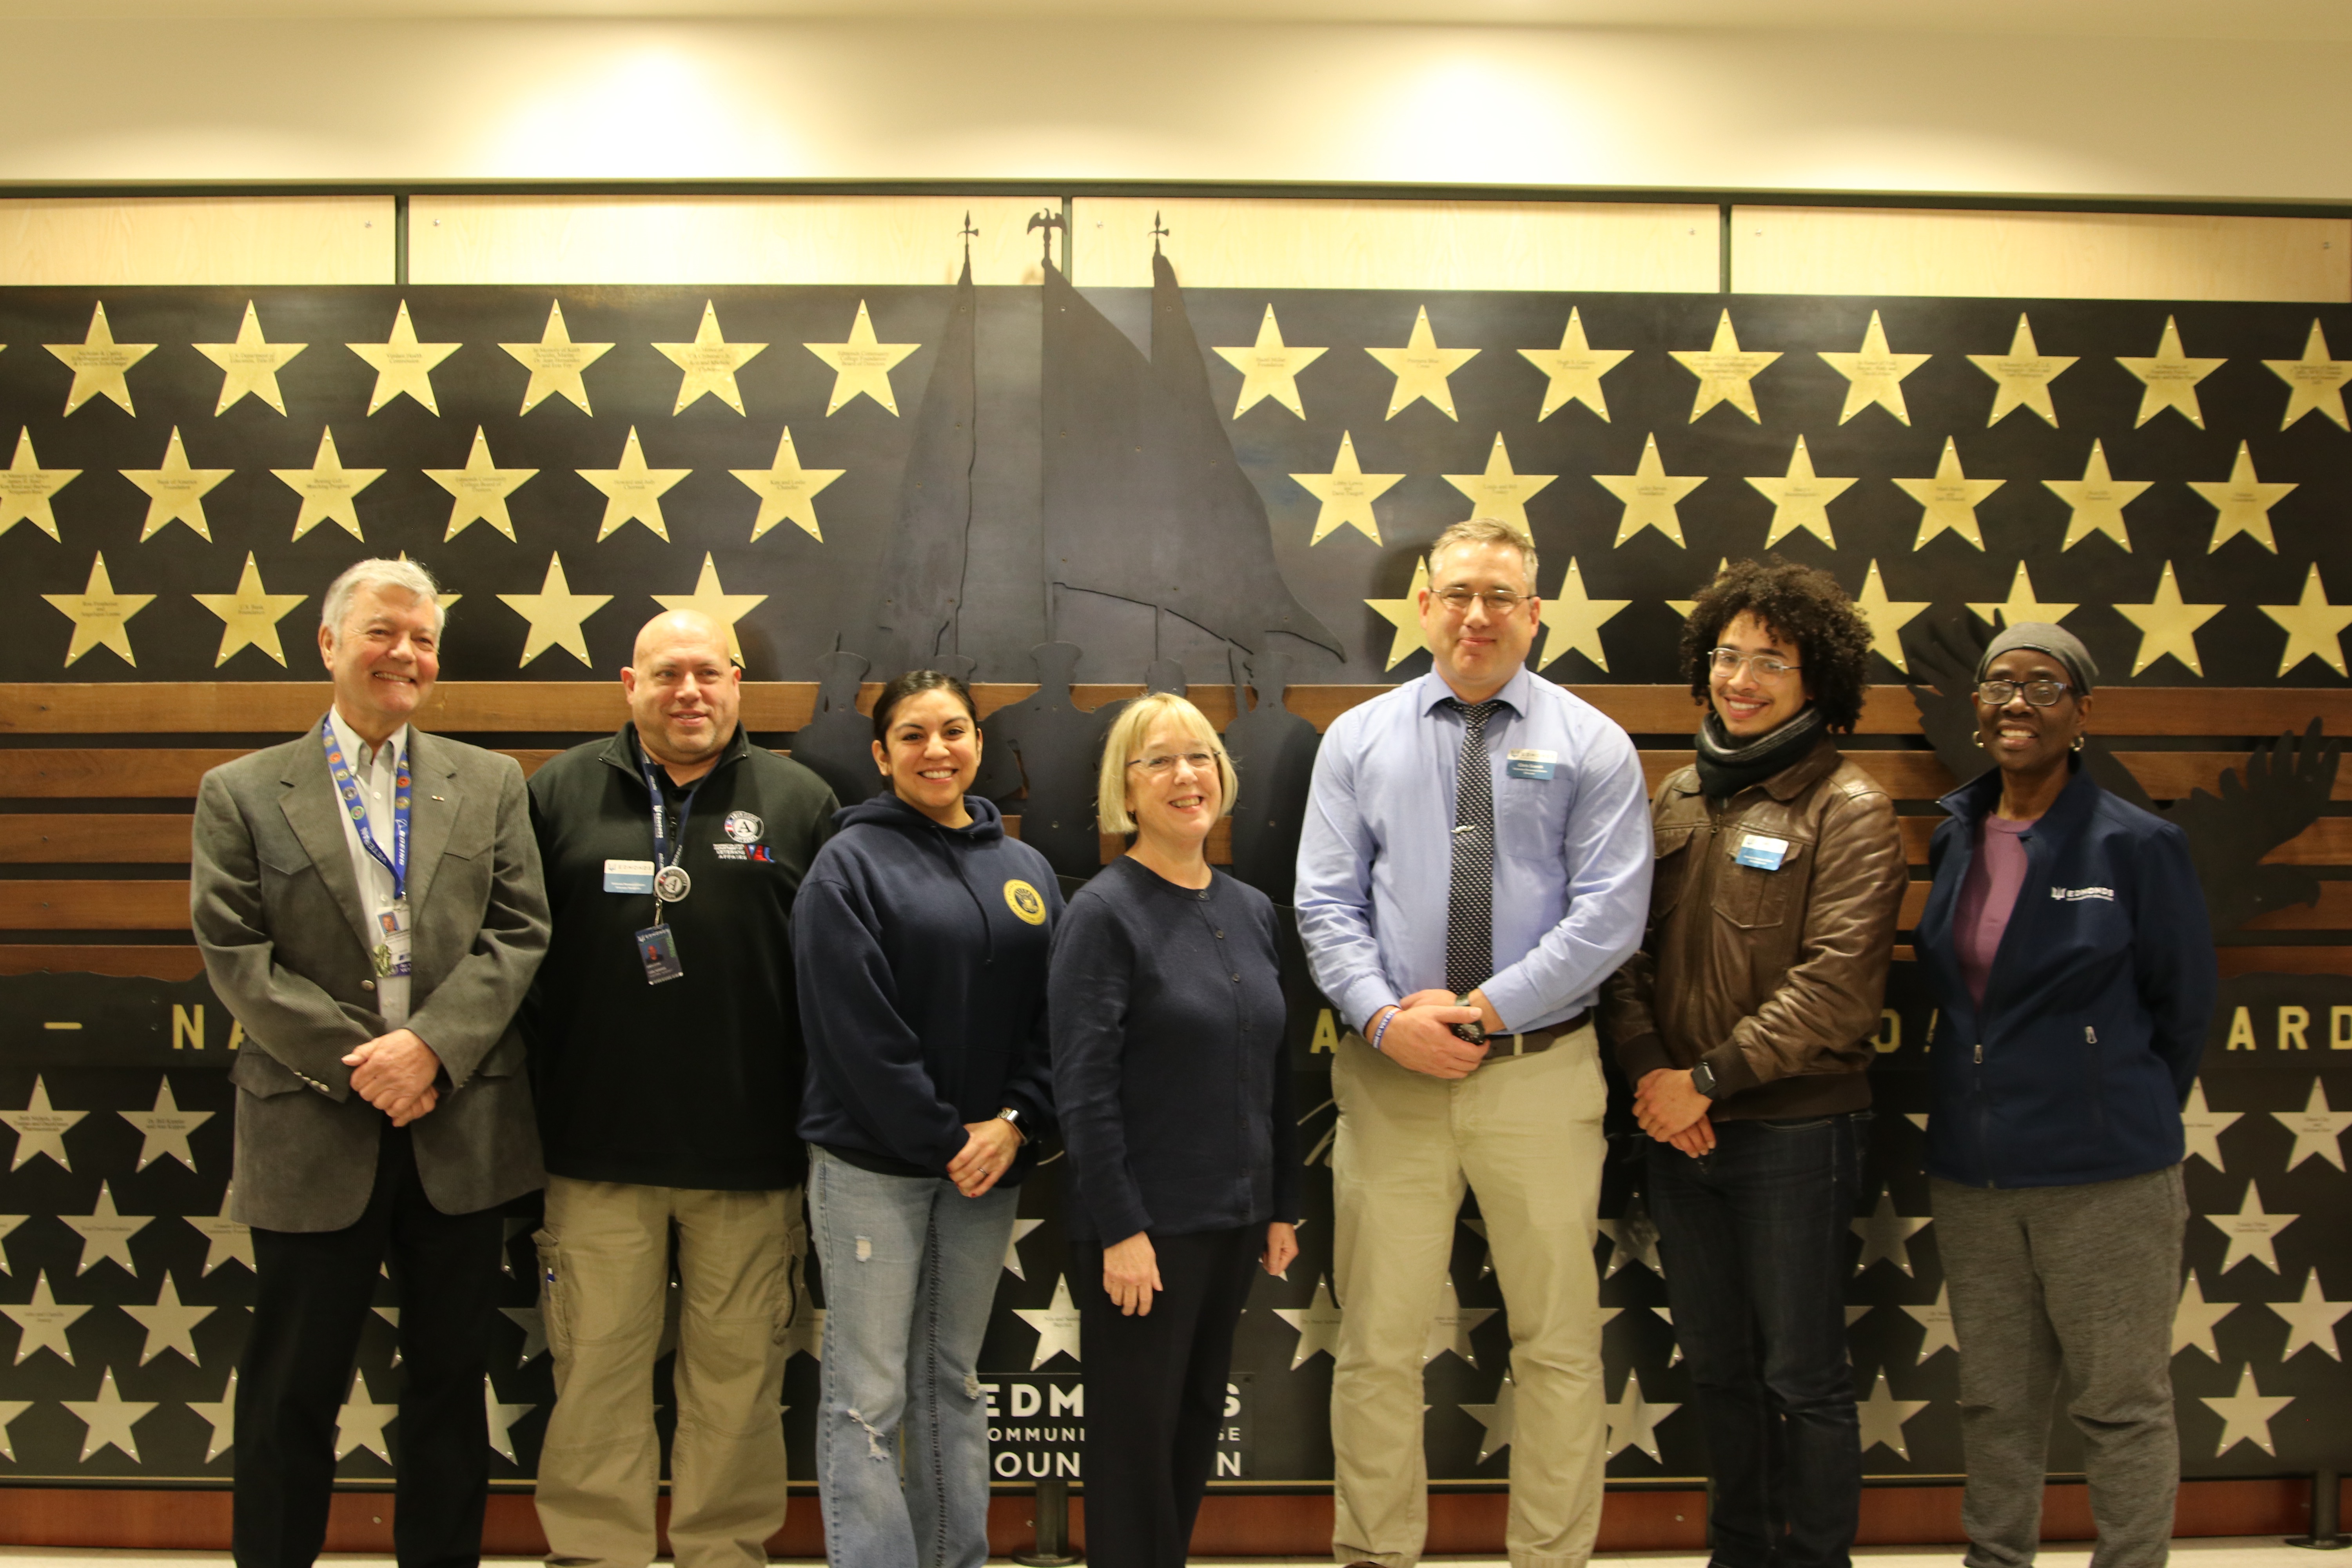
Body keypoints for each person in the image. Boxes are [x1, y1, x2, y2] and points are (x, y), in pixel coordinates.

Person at [1296, 517, 1653, 1568]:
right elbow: (1324, 908)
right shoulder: (1358, 740)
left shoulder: (1594, 744)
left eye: (1500, 595)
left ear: (1535, 613)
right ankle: (1376, 1552)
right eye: (1457, 593)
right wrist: (1382, 1018)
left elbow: (1609, 920)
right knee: (1377, 1346)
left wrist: (1484, 1012)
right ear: (1423, 609)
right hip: (1389, 1076)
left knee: (1555, 1341)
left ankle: (1550, 1555)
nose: (1477, 614)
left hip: (1541, 1079)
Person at [189, 557, 549, 1568]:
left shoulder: (488, 782)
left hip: (462, 1122)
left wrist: (429, 1046)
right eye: (384, 631)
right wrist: (365, 1063)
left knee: (447, 1386)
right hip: (314, 1127)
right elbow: (236, 954)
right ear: (330, 644)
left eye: (424, 638)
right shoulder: (244, 791)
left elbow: (519, 934)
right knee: (289, 1388)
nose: (406, 653)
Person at [1601, 559, 1907, 1568]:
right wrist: (1655, 1072)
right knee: (1721, 1370)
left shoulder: (1851, 807)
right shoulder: (1680, 793)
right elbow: (1624, 954)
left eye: (1769, 660)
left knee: (1803, 1376)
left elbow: (1836, 989)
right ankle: (1739, 1554)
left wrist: (1707, 1079)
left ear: (1815, 678)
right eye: (1728, 656)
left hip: (1795, 1130)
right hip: (1677, 1127)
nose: (1742, 678)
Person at [521, 609, 838, 1568]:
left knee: (739, 1382)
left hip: (750, 1153)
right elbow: (509, 960)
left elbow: (833, 980)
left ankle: (724, 1551)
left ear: (739, 682)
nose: (688, 691)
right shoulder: (559, 791)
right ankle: (593, 1554)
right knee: (595, 1375)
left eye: (708, 672)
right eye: (667, 674)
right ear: (630, 683)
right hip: (593, 1148)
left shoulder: (799, 799)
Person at [1915, 623, 2214, 1568]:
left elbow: (2184, 1007)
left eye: (2044, 687)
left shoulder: (2139, 844)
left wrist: (2105, 1101)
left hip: (2107, 1176)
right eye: (2000, 683)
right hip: (1975, 1174)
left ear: (2083, 714)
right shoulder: (1955, 830)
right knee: (1994, 1399)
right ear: (1977, 706)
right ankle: (1994, 1558)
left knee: (2120, 1402)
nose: (2017, 703)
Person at [790, 670, 1060, 1568]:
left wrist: (1017, 1121)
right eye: (912, 734)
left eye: (953, 730)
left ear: (980, 742)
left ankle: (955, 1557)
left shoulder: (1026, 870)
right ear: (881, 754)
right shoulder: (849, 864)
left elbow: (1054, 1021)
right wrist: (949, 1139)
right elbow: (853, 1031)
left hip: (989, 1167)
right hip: (876, 1168)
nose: (936, 748)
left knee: (950, 1378)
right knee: (867, 1394)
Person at [1051, 692, 1302, 1568]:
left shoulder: (1253, 907)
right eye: (1158, 759)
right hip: (1143, 1231)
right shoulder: (1104, 912)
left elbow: (1274, 1068)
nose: (1185, 774)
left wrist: (1280, 1207)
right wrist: (1121, 1226)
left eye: (1198, 755)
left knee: (1194, 1423)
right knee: (1133, 1444)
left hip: (1232, 1221)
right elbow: (1081, 1088)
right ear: (1126, 786)